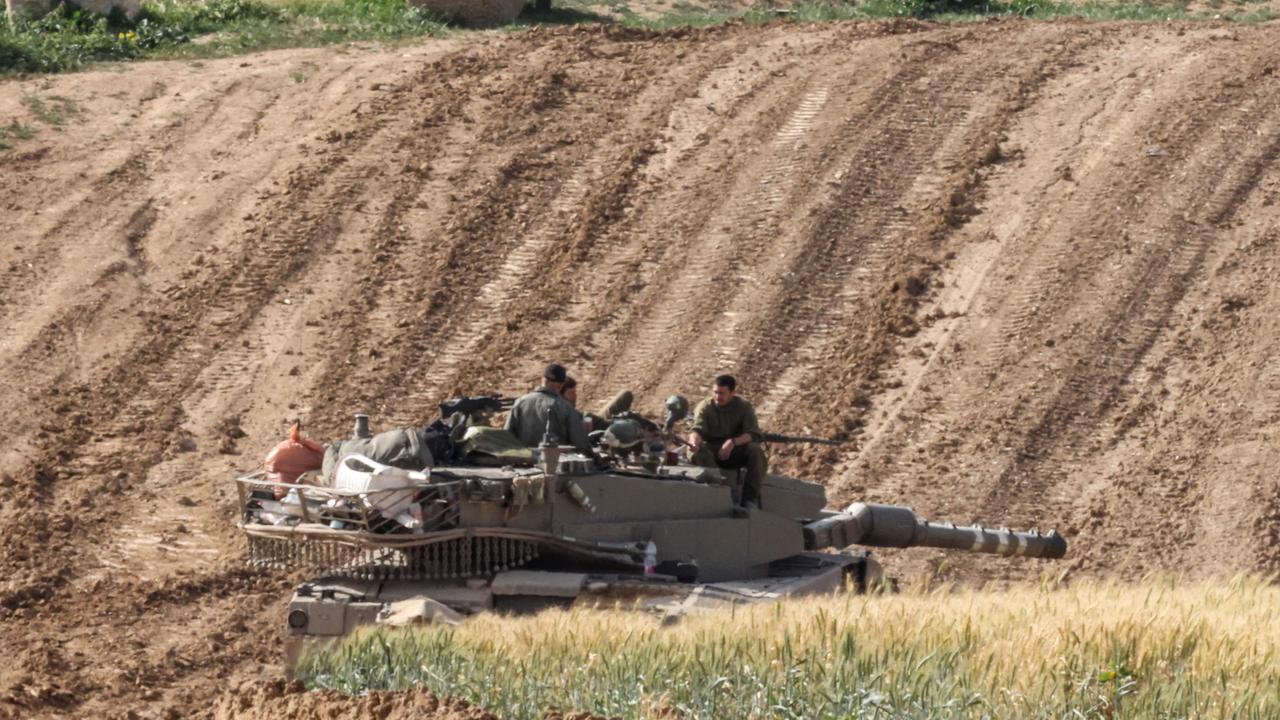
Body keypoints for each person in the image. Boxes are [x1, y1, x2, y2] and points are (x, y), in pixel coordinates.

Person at [687, 374, 768, 508]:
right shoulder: (705, 406)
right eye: (715, 392)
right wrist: (694, 442)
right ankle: (717, 491)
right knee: (697, 452)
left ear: (732, 393)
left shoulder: (743, 407)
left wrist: (732, 442)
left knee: (755, 451)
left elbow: (753, 434)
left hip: (734, 452)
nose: (718, 397)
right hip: (710, 451)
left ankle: (749, 499)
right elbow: (697, 429)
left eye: (722, 393)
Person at [505, 363, 594, 457]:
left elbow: (506, 436)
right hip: (554, 464)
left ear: (542, 380)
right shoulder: (565, 407)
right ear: (561, 385)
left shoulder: (520, 402)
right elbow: (581, 444)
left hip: (524, 463)